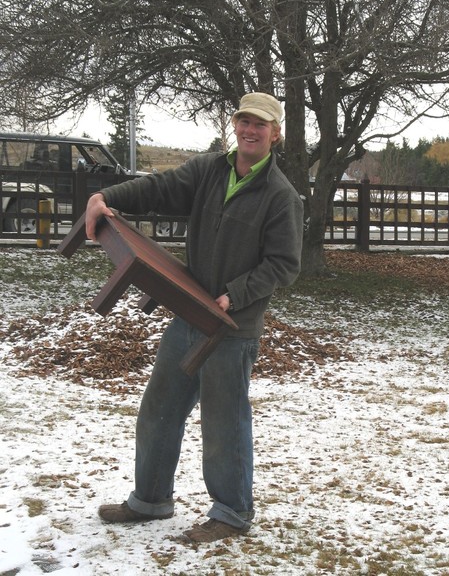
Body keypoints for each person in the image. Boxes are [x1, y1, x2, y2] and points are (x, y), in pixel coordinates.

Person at [85, 92, 304, 543]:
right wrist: (105, 196)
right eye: (244, 121)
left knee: (224, 424)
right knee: (159, 408)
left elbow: (284, 264)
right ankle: (150, 500)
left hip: (231, 329)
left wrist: (235, 295)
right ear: (235, 125)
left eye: (260, 125)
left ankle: (231, 513)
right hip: (187, 315)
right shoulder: (209, 169)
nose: (250, 130)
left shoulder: (281, 196)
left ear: (275, 133)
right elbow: (158, 187)